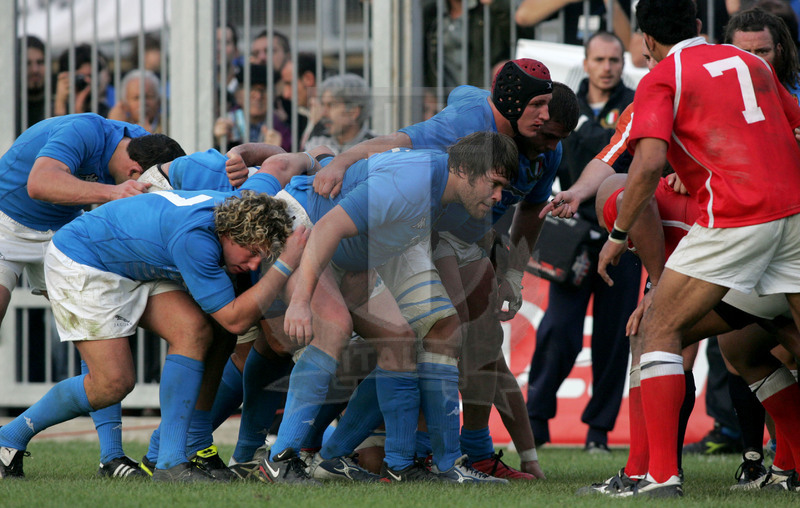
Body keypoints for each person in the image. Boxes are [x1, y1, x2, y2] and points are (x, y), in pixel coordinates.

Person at [596, 0, 800, 497]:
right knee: (744, 345)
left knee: (656, 328)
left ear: (645, 39)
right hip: (793, 219)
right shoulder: (750, 63)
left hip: (736, 220)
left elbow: (644, 166)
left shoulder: (663, 76)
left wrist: (617, 235)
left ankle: (659, 475)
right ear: (698, 27)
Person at [280, 131, 517, 484]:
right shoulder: (411, 183)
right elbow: (328, 227)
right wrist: (299, 300)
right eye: (494, 183)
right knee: (326, 330)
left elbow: (392, 146)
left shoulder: (441, 177)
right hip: (306, 231)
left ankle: (418, 465)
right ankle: (278, 457)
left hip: (362, 247)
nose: (498, 196)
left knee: (439, 330)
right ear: (465, 169)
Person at [0, 113, 185, 479]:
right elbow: (39, 183)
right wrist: (113, 192)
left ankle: (111, 457)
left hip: (66, 229)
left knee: (100, 323)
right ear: (134, 173)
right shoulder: (86, 130)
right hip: (6, 221)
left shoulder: (150, 149)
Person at [527, 30, 638, 454]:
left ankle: (598, 433)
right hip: (571, 236)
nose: (607, 67)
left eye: (614, 60)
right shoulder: (560, 106)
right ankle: (535, 420)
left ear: (621, 63)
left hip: (622, 237)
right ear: (586, 63)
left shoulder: (637, 103)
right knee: (560, 331)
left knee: (614, 339)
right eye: (599, 59)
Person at [421, 0, 512, 90]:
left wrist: (497, 5)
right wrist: (428, 91)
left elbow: (512, 38)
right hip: (444, 95)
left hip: (482, 93)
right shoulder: (431, 12)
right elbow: (422, 56)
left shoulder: (486, 9)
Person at [213, 64, 291, 151]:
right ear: (238, 95)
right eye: (251, 89)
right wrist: (218, 143)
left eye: (264, 90)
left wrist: (280, 150)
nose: (258, 96)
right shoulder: (227, 123)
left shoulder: (284, 129)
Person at [303, 74, 376, 156]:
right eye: (323, 105)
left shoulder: (377, 148)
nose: (323, 113)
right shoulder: (316, 142)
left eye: (331, 105)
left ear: (353, 111)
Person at [54, 44, 111, 117]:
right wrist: (60, 105)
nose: (87, 80)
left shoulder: (104, 112)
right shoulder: (48, 107)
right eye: (80, 77)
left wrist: (79, 112)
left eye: (90, 76)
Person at [17, 35, 47, 135]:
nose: (35, 70)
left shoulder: (57, 100)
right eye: (27, 63)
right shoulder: (7, 107)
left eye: (40, 62)